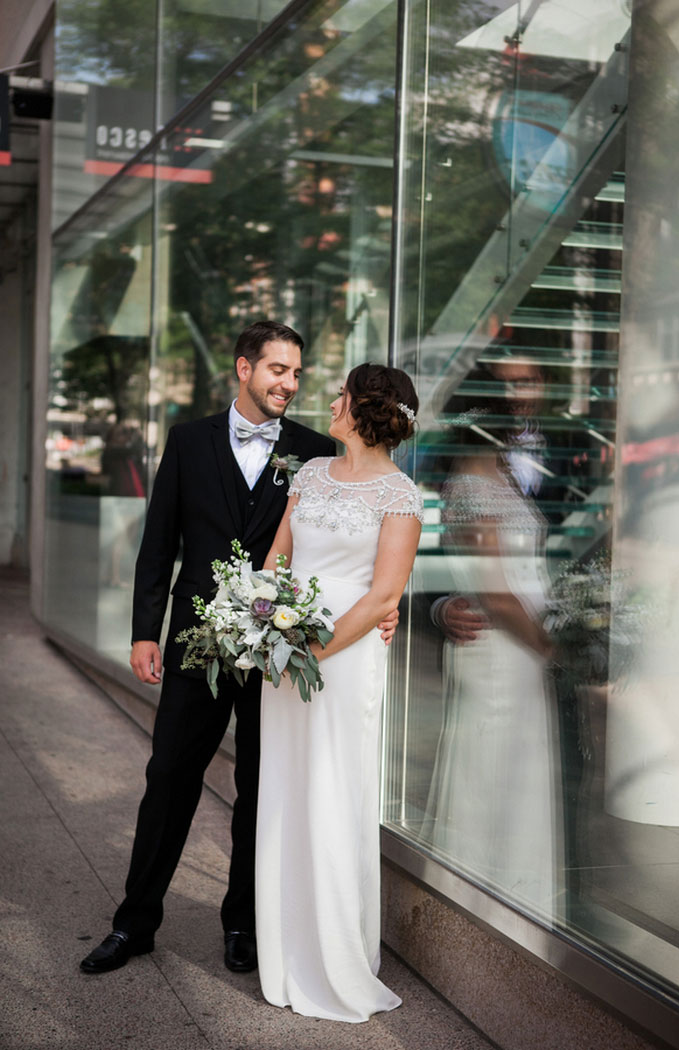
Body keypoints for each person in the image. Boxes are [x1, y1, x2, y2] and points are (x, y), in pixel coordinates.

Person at [80, 321, 347, 976]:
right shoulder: (189, 439)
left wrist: (379, 607)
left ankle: (244, 926)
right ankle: (133, 923)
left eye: (296, 373)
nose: (288, 382)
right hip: (195, 646)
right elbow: (160, 540)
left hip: (276, 650)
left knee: (260, 787)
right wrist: (146, 630)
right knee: (168, 777)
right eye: (277, 369)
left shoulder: (315, 451)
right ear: (243, 368)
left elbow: (335, 543)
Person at [255, 362, 423, 1022]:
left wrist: (311, 652)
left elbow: (384, 594)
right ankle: (283, 948)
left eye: (342, 395)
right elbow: (276, 559)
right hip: (287, 650)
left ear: (367, 409)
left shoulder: (401, 496)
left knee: (332, 789)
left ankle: (334, 957)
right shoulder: (311, 474)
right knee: (287, 789)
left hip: (342, 659)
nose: (330, 401)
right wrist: (265, 625)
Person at [422, 361, 563, 919]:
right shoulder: (471, 484)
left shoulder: (498, 477)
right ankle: (480, 905)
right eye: (512, 401)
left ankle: (516, 900)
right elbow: (497, 594)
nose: (523, 409)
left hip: (519, 649)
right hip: (504, 651)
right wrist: (555, 646)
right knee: (492, 769)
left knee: (515, 769)